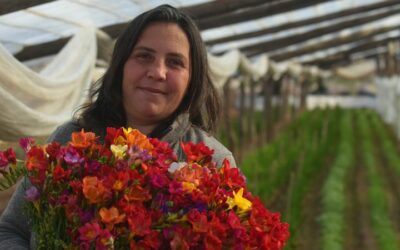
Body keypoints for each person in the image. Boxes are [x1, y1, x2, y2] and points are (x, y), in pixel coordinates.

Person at [0, 4, 237, 249]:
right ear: (121, 65)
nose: (157, 72)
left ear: (192, 79)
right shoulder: (70, 140)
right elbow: (10, 231)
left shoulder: (213, 162)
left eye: (175, 62)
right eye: (144, 56)